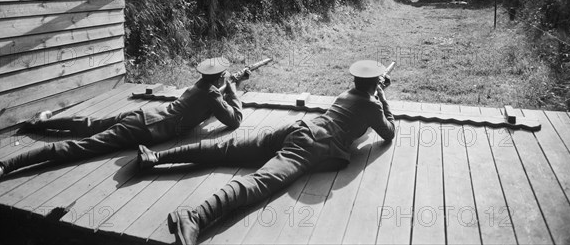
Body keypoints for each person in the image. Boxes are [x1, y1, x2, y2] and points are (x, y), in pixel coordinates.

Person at [137, 60, 396, 245]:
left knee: (225, 149)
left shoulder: (347, 93)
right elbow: (388, 132)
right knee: (261, 182)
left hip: (299, 128)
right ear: (375, 84)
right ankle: (194, 217)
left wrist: (375, 89)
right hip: (311, 144)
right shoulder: (372, 104)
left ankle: (156, 157)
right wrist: (383, 97)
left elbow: (362, 105)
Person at [0, 57, 245, 192]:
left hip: (144, 114)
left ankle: (39, 123)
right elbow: (234, 120)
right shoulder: (212, 94)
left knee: (87, 124)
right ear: (220, 77)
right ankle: (3, 166)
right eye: (224, 77)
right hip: (145, 128)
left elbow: (203, 111)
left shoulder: (199, 87)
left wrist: (224, 89)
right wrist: (233, 89)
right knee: (81, 147)